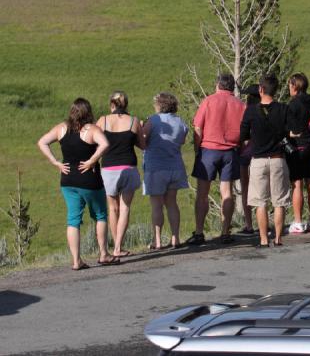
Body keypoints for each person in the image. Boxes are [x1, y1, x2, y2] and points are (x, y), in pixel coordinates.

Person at [37, 98, 113, 270]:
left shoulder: (62, 128)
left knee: (73, 220)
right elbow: (105, 144)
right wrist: (92, 160)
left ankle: (76, 260)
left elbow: (42, 142)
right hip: (89, 179)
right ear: (88, 112)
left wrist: (55, 162)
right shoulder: (91, 129)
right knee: (100, 215)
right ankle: (103, 254)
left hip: (68, 179)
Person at [189, 73, 246, 246]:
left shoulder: (209, 101)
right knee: (227, 192)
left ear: (217, 85)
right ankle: (225, 231)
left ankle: (199, 232)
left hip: (209, 149)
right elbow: (245, 132)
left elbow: (198, 128)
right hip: (230, 150)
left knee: (202, 194)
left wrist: (197, 148)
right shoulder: (240, 104)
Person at [240, 74, 292, 248]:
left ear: (261, 90)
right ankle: (278, 238)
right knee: (279, 201)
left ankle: (263, 238)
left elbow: (243, 135)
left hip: (259, 159)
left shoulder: (251, 111)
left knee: (259, 202)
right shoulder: (283, 109)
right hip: (278, 158)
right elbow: (290, 131)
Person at [95, 91, 144, 258]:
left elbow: (95, 142)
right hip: (129, 167)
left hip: (108, 169)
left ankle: (115, 248)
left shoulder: (103, 120)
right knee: (125, 208)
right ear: (126, 105)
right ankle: (118, 247)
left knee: (112, 208)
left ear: (112, 105)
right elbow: (143, 145)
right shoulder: (134, 121)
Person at [142, 92, 190, 250]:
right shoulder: (180, 121)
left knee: (156, 205)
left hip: (156, 167)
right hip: (175, 166)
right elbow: (182, 140)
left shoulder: (153, 120)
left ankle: (157, 240)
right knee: (172, 203)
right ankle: (175, 237)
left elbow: (143, 139)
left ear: (159, 105)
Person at [286, 73, 310, 234]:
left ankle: (298, 221)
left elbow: (292, 130)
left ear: (295, 86)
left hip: (298, 147)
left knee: (297, 184)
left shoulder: (293, 105)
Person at [237, 85, 260, 235]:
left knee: (246, 188)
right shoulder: (264, 110)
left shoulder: (245, 111)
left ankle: (249, 224)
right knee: (260, 189)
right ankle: (261, 221)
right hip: (260, 151)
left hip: (245, 152)